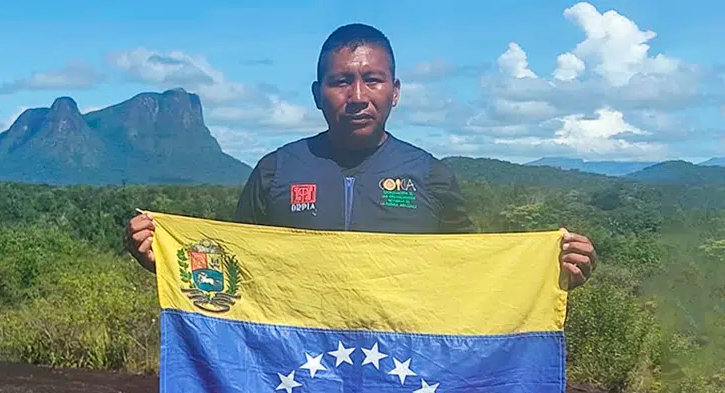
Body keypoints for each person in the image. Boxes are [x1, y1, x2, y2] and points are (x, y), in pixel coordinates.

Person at [124, 23, 596, 289]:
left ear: (395, 92)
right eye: (340, 82)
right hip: (297, 378)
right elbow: (237, 270)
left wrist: (549, 275)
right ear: (317, 94)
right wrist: (164, 260)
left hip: (402, 375)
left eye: (372, 80)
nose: (357, 96)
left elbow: (472, 278)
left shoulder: (430, 177)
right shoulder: (275, 171)